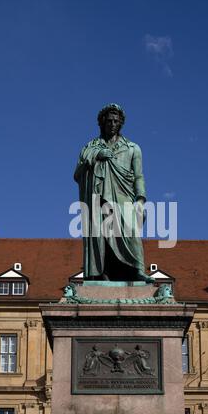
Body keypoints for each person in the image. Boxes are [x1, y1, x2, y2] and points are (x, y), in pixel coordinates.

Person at [74, 103, 154, 283]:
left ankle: (138, 270)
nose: (112, 124)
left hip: (124, 196)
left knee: (131, 230)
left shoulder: (133, 148)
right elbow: (77, 174)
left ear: (121, 124)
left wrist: (140, 200)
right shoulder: (90, 147)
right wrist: (95, 156)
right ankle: (103, 274)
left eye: (116, 121)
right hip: (98, 196)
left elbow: (139, 177)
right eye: (108, 121)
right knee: (101, 237)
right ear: (102, 123)